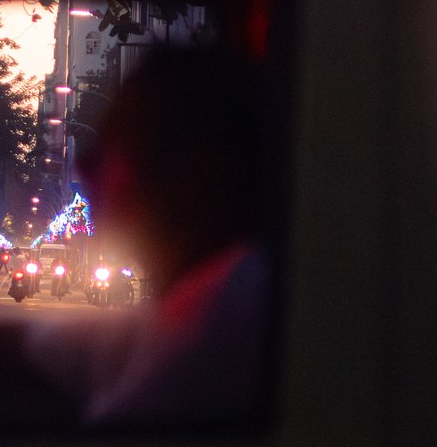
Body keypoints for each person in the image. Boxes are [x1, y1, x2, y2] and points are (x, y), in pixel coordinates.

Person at [44, 47, 272, 427]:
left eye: (113, 145)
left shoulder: (225, 314)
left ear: (195, 173)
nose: (85, 168)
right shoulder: (214, 292)